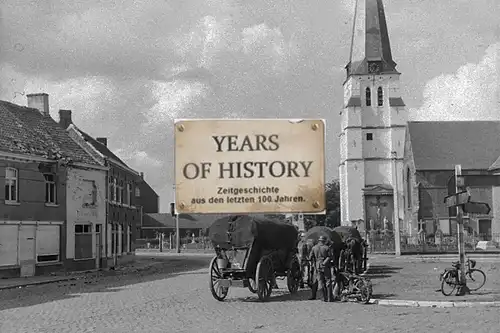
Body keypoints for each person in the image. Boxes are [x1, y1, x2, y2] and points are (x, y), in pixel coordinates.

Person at [308, 235, 334, 302]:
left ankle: (324, 297)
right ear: (324, 241)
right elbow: (330, 257)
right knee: (328, 281)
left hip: (317, 266)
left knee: (321, 282)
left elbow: (310, 257)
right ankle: (329, 298)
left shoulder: (314, 248)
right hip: (325, 266)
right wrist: (324, 262)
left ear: (319, 240)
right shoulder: (327, 248)